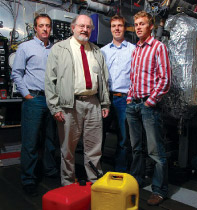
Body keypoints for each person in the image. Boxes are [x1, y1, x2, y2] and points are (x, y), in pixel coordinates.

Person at [45, 14, 110, 186]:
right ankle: (67, 184)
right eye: (81, 26)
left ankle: (94, 181)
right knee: (68, 149)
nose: (85, 30)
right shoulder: (60, 49)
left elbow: (103, 79)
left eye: (88, 27)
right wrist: (55, 107)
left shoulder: (96, 51)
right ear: (73, 27)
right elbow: (50, 80)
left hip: (93, 103)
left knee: (94, 148)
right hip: (69, 104)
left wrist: (105, 102)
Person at [126, 11, 171, 206]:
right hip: (133, 104)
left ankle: (159, 191)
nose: (138, 27)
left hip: (148, 106)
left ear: (150, 26)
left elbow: (165, 79)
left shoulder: (158, 47)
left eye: (142, 24)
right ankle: (136, 180)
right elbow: (134, 78)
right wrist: (129, 98)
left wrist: (149, 102)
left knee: (155, 152)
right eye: (136, 24)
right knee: (136, 148)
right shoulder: (136, 49)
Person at [11, 14, 58, 196]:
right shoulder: (25, 47)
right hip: (35, 99)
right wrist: (27, 95)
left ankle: (50, 170)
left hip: (52, 100)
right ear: (35, 28)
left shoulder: (55, 49)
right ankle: (28, 178)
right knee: (30, 142)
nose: (45, 29)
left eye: (47, 26)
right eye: (41, 26)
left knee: (50, 140)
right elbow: (17, 73)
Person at [101, 15, 135, 172]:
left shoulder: (133, 50)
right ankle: (96, 169)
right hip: (106, 98)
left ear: (124, 28)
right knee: (100, 134)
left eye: (120, 25)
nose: (117, 28)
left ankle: (120, 171)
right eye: (114, 26)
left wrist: (131, 97)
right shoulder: (103, 51)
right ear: (110, 29)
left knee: (123, 138)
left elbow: (136, 75)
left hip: (124, 99)